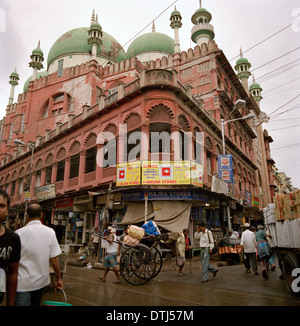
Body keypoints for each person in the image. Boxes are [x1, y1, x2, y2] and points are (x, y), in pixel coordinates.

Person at [15, 203, 63, 306]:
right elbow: (54, 260)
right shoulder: (50, 232)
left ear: (27, 215)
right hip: (40, 282)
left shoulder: (18, 233)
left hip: (22, 283)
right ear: (41, 215)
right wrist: (58, 279)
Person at [0, 190, 21, 306]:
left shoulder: (13, 239)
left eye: (2, 206)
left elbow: (12, 274)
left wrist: (10, 304)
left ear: (7, 210)